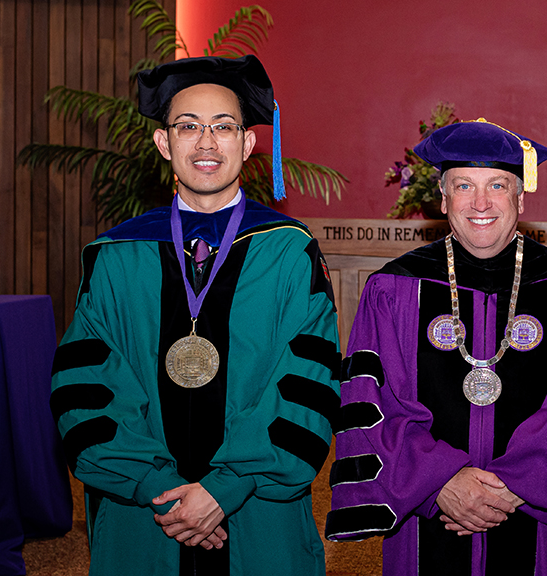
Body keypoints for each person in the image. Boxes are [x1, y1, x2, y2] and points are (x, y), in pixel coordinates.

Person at [49, 55, 340, 576]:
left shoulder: (290, 255)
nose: (206, 143)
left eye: (223, 127)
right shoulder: (115, 255)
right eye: (188, 127)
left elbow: (307, 382)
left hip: (255, 511)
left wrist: (224, 488)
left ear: (248, 144)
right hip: (147, 517)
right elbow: (87, 384)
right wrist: (155, 485)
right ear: (164, 143)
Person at [325, 119, 547, 575]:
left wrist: (517, 485)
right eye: (463, 185)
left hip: (533, 512)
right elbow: (375, 406)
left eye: (497, 184)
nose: (480, 203)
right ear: (442, 197)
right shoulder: (393, 290)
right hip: (425, 517)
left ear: (520, 197)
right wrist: (441, 483)